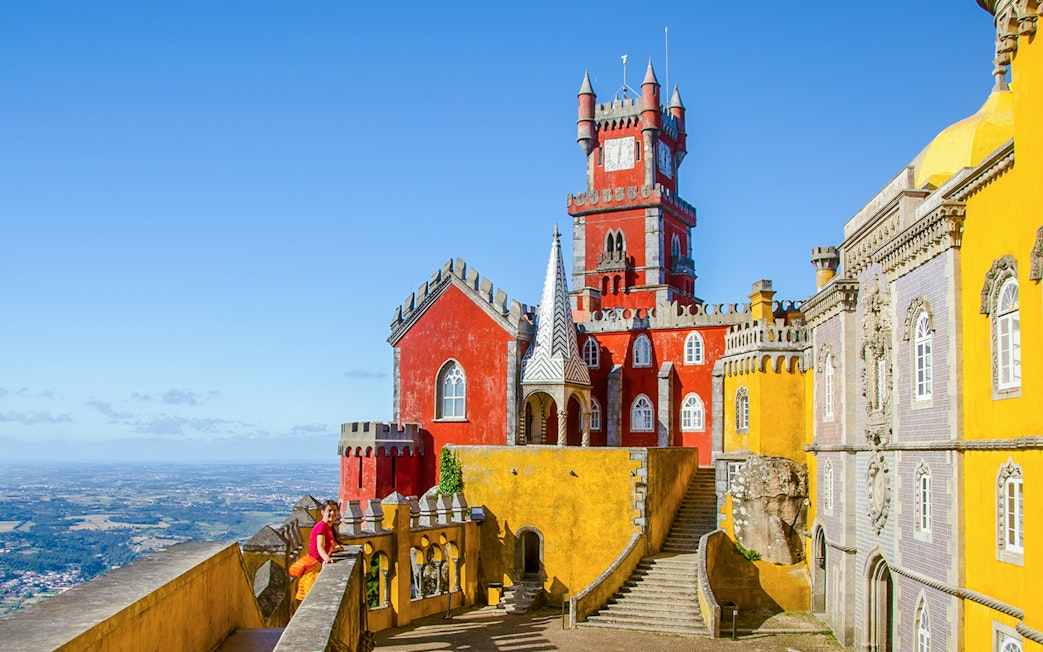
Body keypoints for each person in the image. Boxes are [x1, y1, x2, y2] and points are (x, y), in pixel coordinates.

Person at [294, 500, 341, 601]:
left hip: (317, 568)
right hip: (312, 570)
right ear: (322, 512)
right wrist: (327, 558)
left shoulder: (328, 527)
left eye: (335, 510)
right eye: (329, 510)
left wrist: (334, 549)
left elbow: (324, 545)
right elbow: (319, 546)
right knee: (312, 601)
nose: (332, 513)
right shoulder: (321, 526)